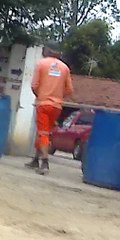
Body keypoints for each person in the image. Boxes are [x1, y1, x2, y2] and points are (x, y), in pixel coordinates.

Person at [26, 45, 75, 175]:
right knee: (44, 132)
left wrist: (41, 95)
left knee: (42, 133)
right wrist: (57, 96)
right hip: (57, 106)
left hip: (43, 104)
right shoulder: (65, 68)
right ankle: (36, 159)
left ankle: (45, 162)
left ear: (47, 51)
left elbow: (34, 85)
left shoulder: (41, 64)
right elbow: (70, 90)